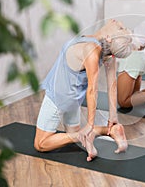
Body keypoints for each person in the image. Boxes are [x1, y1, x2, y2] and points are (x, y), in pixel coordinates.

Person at [34, 19, 135, 162]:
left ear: (109, 38)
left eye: (120, 27)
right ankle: (109, 131)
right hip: (75, 100)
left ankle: (87, 134)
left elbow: (93, 90)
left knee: (41, 144)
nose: (115, 21)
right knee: (72, 135)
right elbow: (112, 85)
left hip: (57, 98)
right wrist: (113, 119)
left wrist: (89, 124)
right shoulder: (104, 50)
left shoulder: (92, 50)